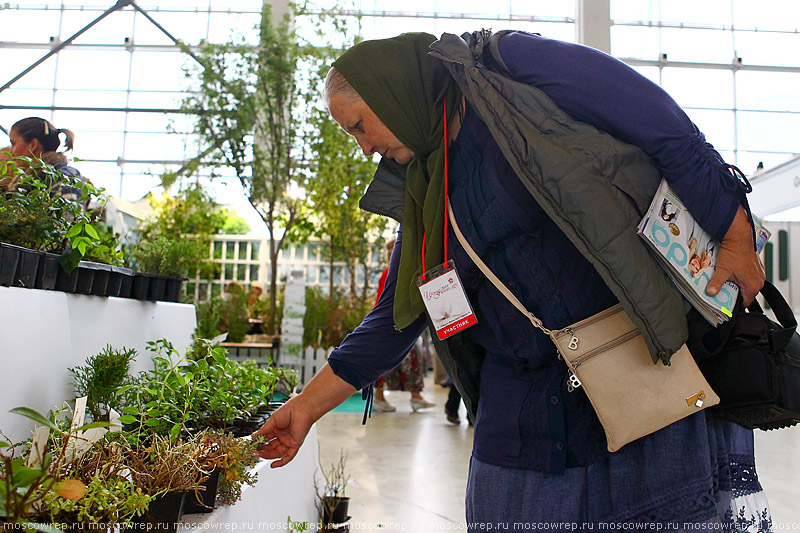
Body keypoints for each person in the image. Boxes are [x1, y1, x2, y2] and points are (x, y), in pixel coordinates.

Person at [254, 30, 768, 528]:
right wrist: (305, 408)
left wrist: (734, 230)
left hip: (636, 379)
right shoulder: (424, 190)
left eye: (359, 126)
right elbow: (396, 315)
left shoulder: (508, 67)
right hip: (521, 420)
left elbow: (655, 118)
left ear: (393, 91)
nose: (364, 148)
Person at [372, 238, 435, 413]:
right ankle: (410, 397)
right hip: (394, 323)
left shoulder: (394, 272)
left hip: (396, 322)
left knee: (402, 359)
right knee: (401, 358)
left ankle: (411, 396)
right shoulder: (392, 273)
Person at [1, 117, 85, 200]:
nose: (11, 151)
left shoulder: (64, 179)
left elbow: (68, 213)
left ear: (33, 145)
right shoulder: (29, 181)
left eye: (13, 143)